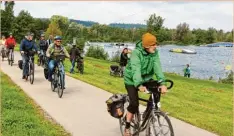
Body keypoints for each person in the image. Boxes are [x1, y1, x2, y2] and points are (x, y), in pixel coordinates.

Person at [123, 33, 167, 136]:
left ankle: (149, 113)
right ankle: (127, 127)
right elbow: (136, 69)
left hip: (146, 78)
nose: (155, 46)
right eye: (153, 45)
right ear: (146, 46)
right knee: (134, 104)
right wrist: (138, 85)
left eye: (155, 44)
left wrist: (162, 83)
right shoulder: (136, 53)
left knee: (156, 92)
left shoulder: (154, 53)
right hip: (131, 80)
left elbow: (157, 67)